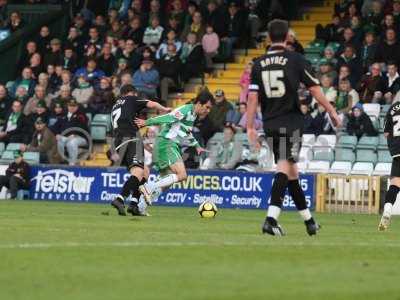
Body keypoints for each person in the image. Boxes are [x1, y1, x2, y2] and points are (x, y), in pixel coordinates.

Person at [246, 19, 341, 236]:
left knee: (292, 173)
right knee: (284, 166)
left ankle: (309, 222)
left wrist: (250, 126)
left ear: (269, 37)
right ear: (288, 36)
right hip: (290, 122)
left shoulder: (258, 63)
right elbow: (315, 90)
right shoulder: (295, 59)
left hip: (270, 123)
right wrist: (332, 111)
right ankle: (270, 219)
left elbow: (252, 98)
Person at [134, 91, 214, 204]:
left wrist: (196, 146)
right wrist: (147, 122)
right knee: (182, 175)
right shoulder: (186, 109)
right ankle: (149, 187)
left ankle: (140, 206)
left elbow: (186, 132)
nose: (208, 110)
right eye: (207, 107)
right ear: (200, 103)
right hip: (167, 143)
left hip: (168, 143)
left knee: (167, 181)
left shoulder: (193, 115)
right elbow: (169, 117)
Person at [109, 84, 170, 216]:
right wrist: (165, 109)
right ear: (131, 93)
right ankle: (120, 199)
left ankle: (134, 204)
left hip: (118, 143)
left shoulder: (115, 106)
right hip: (131, 140)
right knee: (138, 172)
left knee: (145, 172)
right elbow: (152, 104)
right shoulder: (131, 99)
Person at [379, 96, 400, 230]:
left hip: (398, 151)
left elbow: (386, 133)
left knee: (395, 185)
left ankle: (387, 211)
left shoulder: (393, 108)